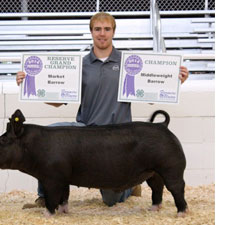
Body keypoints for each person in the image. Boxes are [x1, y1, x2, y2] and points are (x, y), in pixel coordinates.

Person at [16, 12, 189, 209]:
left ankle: (131, 186)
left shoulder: (129, 63)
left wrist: (174, 81)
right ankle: (45, 197)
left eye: (107, 29)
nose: (102, 34)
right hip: (85, 131)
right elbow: (58, 101)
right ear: (91, 32)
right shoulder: (79, 65)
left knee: (111, 200)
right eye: (97, 29)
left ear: (113, 32)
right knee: (48, 138)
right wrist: (29, 84)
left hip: (119, 137)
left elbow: (150, 95)